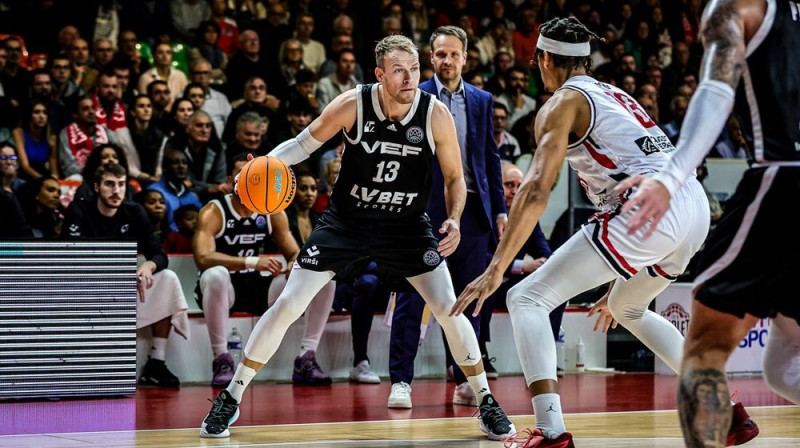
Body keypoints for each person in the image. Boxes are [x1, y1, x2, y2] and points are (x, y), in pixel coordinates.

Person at [452, 17, 753, 448]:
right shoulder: (614, 92)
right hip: (693, 206)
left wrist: (496, 268)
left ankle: (551, 432)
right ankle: (725, 413)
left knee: (526, 298)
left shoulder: (561, 104)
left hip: (648, 209)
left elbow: (536, 189)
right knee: (627, 306)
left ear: (544, 59)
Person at [200, 34, 515, 441]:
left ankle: (485, 399)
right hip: (346, 223)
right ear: (380, 74)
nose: (409, 78)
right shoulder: (354, 103)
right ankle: (232, 396)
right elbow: (302, 144)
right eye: (399, 70)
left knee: (449, 307)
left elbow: (455, 177)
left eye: (414, 69)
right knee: (289, 303)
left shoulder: (434, 113)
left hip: (405, 226)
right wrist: (264, 165)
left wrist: (453, 218)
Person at [615, 1, 798, 447]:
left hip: (784, 175)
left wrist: (671, 175)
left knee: (704, 352)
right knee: (784, 362)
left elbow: (717, 88)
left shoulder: (737, 5)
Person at [388, 25, 506, 409]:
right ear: (431, 57)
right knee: (411, 296)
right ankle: (401, 381)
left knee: (467, 299)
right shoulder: (413, 94)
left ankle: (464, 379)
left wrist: (500, 209)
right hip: (420, 210)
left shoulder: (482, 99)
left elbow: (489, 156)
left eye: (454, 54)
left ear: (465, 58)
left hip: (472, 211)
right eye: (440, 54)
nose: (447, 60)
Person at [194, 159, 334, 387]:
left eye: (249, 174)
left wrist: (294, 265)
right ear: (231, 181)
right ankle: (221, 359)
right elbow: (203, 258)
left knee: (323, 279)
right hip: (221, 291)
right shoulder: (214, 210)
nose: (245, 179)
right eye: (239, 174)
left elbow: (295, 253)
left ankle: (306, 358)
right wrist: (251, 262)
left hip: (259, 288)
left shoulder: (272, 210)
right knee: (215, 274)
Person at [63, 163, 190, 387]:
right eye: (110, 184)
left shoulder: (134, 211)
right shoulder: (79, 210)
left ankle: (156, 363)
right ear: (96, 187)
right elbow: (71, 258)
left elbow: (159, 254)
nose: (116, 191)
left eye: (121, 185)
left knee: (168, 278)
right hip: (86, 289)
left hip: (125, 287)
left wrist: (148, 265)